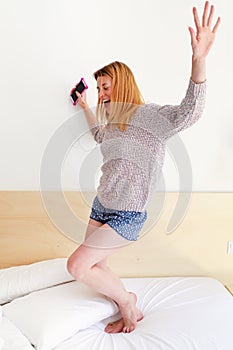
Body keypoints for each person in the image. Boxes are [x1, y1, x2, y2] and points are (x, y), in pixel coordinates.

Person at [67, 1, 220, 334]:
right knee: (97, 265)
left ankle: (127, 303)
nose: (102, 94)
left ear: (122, 83)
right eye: (99, 89)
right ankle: (124, 299)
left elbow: (190, 112)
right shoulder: (112, 126)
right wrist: (85, 106)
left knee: (77, 266)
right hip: (100, 206)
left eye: (106, 87)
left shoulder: (151, 117)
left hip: (127, 214)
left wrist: (199, 60)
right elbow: (97, 135)